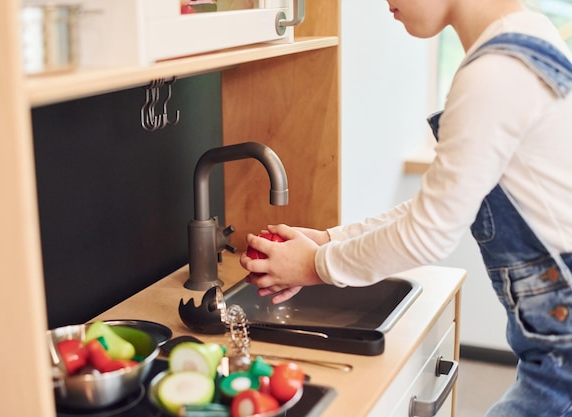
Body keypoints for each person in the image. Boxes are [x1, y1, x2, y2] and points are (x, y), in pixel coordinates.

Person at [239, 0, 572, 415]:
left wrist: (316, 265)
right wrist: (327, 241)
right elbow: (433, 209)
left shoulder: (493, 74)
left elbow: (427, 234)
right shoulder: (525, 39)